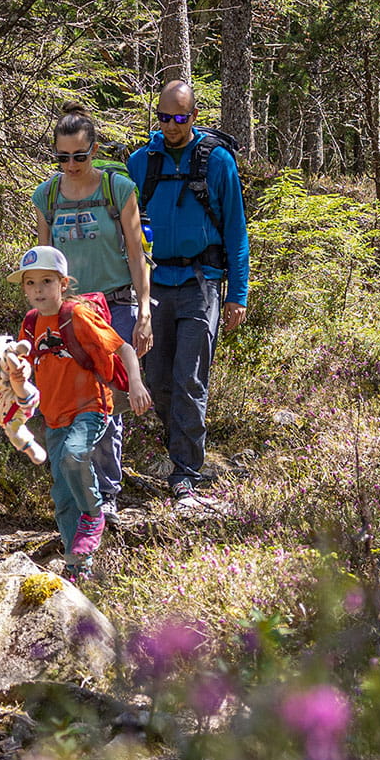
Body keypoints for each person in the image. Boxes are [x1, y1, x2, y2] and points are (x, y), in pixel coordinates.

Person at [127, 80, 250, 501]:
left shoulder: (217, 162)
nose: (171, 125)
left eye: (179, 117)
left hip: (202, 283)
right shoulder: (142, 162)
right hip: (155, 283)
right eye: (164, 117)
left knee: (189, 379)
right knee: (158, 379)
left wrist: (238, 294)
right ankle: (173, 446)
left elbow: (235, 231)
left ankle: (185, 470)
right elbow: (126, 229)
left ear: (194, 117)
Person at [28, 105, 152, 519]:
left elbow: (137, 255)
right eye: (62, 157)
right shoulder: (47, 196)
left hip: (114, 304)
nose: (71, 165)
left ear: (94, 151)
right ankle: (88, 495)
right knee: (77, 401)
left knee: (107, 401)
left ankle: (106, 494)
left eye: (79, 156)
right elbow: (44, 264)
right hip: (70, 313)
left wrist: (144, 309)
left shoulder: (118, 189)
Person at [13, 243, 152, 581]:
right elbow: (25, 374)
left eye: (46, 281)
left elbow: (124, 347)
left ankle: (94, 513)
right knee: (62, 494)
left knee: (75, 457)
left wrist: (135, 384)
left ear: (63, 283)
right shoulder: (31, 324)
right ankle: (78, 564)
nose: (38, 290)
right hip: (54, 416)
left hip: (92, 407)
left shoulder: (77, 315)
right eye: (30, 283)